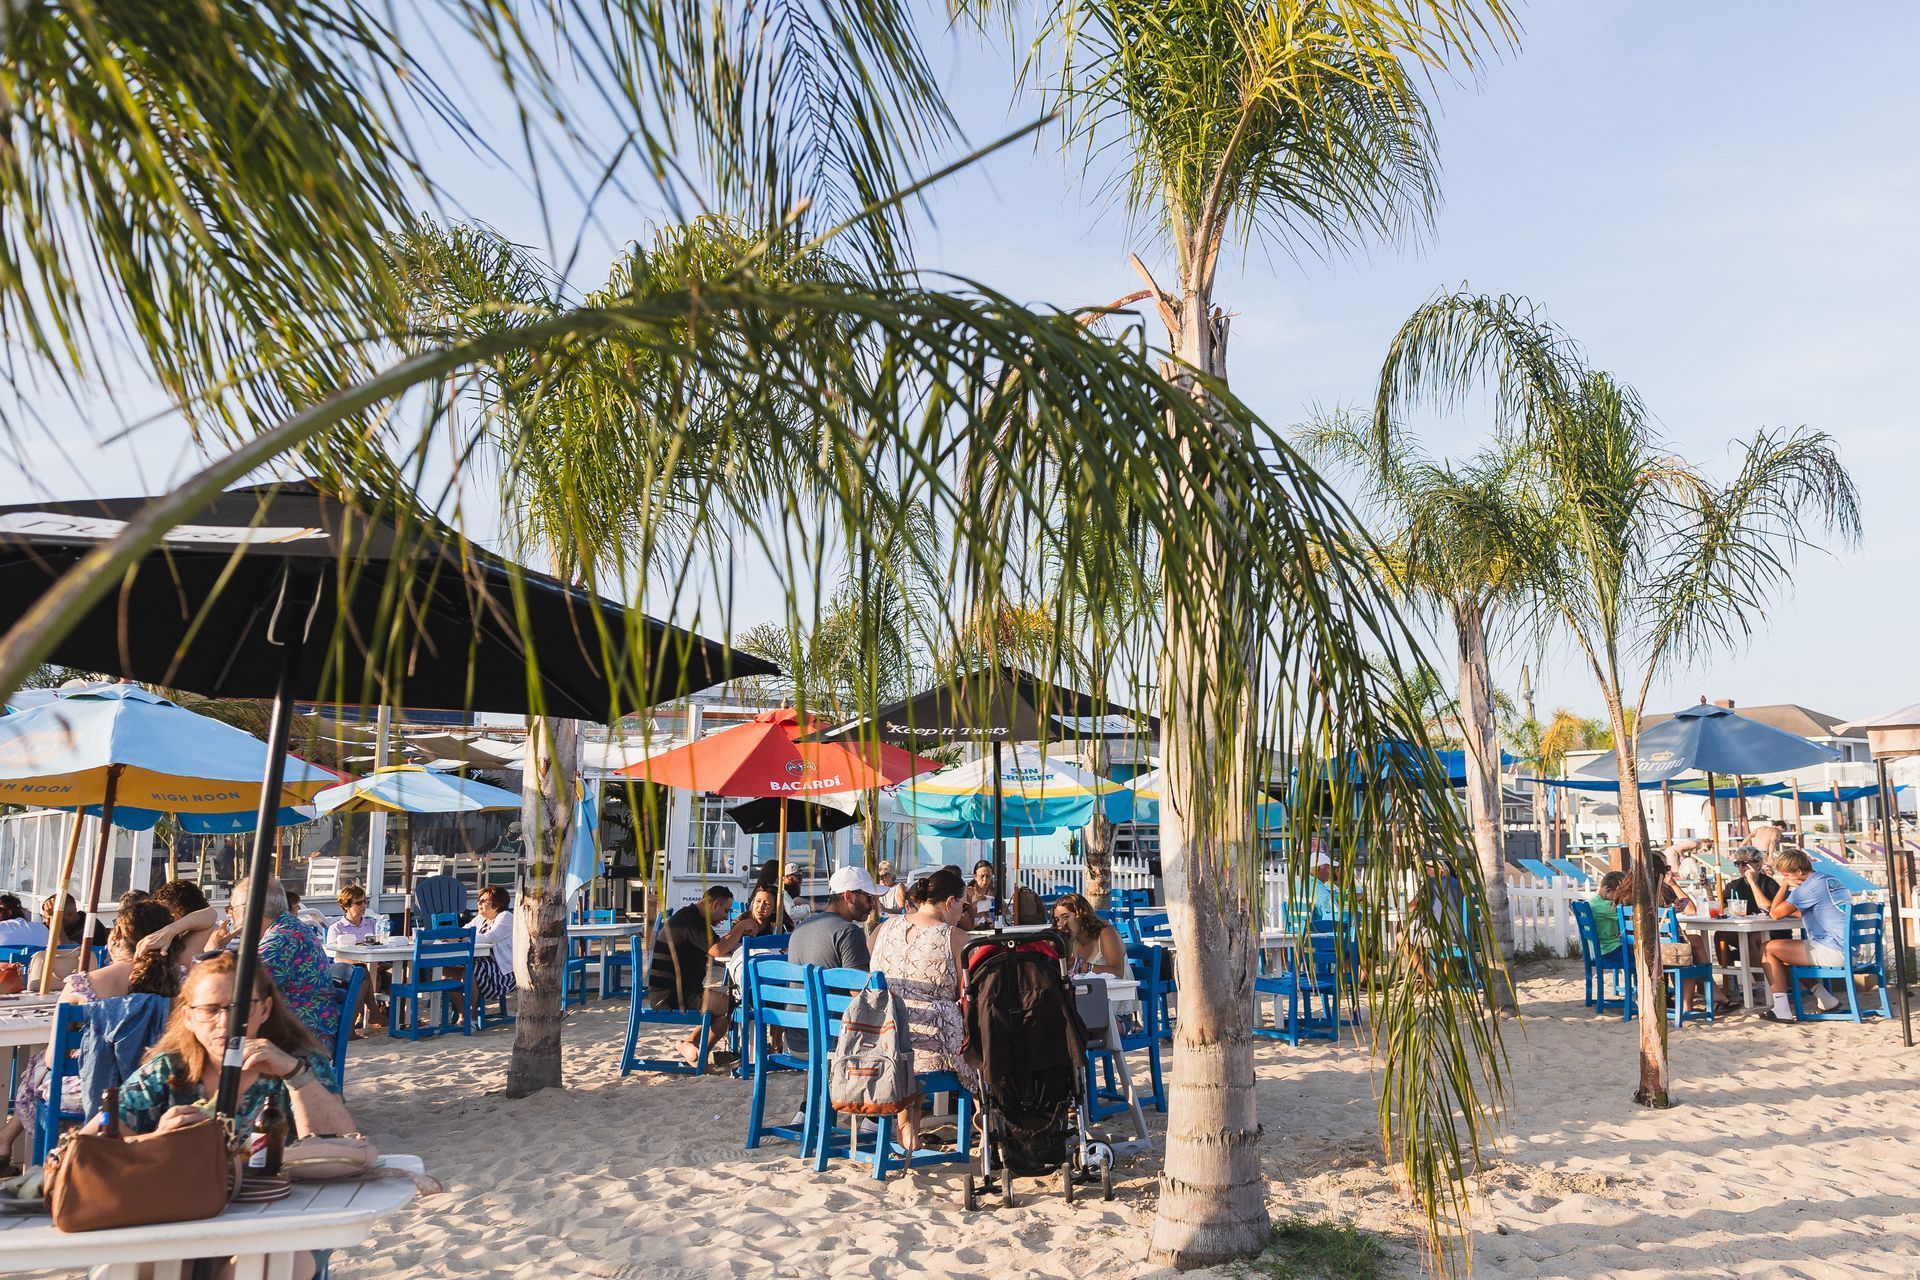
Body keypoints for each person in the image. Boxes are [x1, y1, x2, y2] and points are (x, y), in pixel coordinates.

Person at [110, 952, 360, 1280]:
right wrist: (156, 1143)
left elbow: (345, 1144)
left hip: (280, 1218)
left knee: (275, 1266)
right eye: (211, 1010)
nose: (225, 1023)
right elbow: (95, 1143)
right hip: (180, 1220)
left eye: (239, 1008)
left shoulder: (299, 1063)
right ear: (188, 1016)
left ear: (264, 1009)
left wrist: (295, 1075)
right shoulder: (168, 1072)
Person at [0, 897, 185, 1167]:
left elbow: (54, 1060)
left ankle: (25, 1153)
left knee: (39, 1066)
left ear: (117, 936)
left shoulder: (83, 985)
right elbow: (206, 919)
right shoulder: (182, 981)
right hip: (160, 1088)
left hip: (94, 1094)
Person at [868, 866, 978, 1156]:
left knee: (913, 1040)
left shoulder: (884, 927)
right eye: (964, 904)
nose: (964, 912)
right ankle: (985, 1120)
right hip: (927, 1044)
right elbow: (965, 993)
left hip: (884, 1039)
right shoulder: (954, 937)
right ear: (950, 902)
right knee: (983, 1047)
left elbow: (874, 971)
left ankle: (910, 1136)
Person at [212, 878, 340, 1044]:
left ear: (249, 909)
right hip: (295, 1026)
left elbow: (236, 985)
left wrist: (212, 951)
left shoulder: (283, 938)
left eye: (231, 908)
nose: (229, 915)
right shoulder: (285, 927)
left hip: (302, 1038)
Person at [648, 886, 752, 1071]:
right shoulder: (691, 921)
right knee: (733, 1005)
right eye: (725, 910)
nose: (724, 917)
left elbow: (715, 948)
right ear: (714, 904)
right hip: (671, 995)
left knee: (721, 1022)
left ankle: (695, 1054)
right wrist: (740, 927)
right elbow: (717, 949)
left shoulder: (689, 917)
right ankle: (693, 1049)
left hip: (678, 990)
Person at [1760, 848, 1854, 1023]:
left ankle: (1781, 1010)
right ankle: (1826, 999)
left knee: (1768, 948)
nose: (1785, 878)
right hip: (1849, 949)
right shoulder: (1828, 879)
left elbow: (1775, 913)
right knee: (1788, 955)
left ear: (1798, 872)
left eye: (1786, 875)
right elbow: (1813, 911)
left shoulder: (1808, 887)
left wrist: (1785, 885)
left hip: (1833, 950)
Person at [788, 867, 878, 972]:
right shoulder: (848, 932)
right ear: (848, 896)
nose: (873, 903)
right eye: (869, 897)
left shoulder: (800, 928)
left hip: (802, 989)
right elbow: (858, 986)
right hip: (832, 989)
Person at [324, 884, 384, 1034]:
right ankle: (367, 1017)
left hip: (374, 967)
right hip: (346, 971)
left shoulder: (372, 924)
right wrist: (359, 962)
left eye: (365, 901)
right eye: (358, 903)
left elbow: (382, 945)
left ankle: (400, 1019)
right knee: (363, 972)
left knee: (399, 975)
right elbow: (336, 955)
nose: (363, 905)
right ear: (346, 906)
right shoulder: (337, 928)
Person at [1049, 892, 1126, 977]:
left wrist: (1083, 967)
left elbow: (1118, 972)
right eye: (1057, 919)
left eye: (1065, 917)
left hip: (1120, 989)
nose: (1060, 924)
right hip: (1092, 989)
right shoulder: (1071, 939)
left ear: (1081, 915)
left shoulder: (1106, 933)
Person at [469, 885, 516, 1011]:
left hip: (502, 972)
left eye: (484, 901)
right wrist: (453, 936)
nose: (479, 903)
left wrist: (461, 938)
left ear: (497, 904)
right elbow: (465, 930)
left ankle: (471, 1016)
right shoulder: (481, 918)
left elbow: (489, 937)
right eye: (479, 900)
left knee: (469, 969)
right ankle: (464, 1014)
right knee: (448, 970)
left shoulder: (506, 917)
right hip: (481, 963)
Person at [27, 895, 86, 987]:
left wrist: (55, 920)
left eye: (50, 918)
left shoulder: (89, 928)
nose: (47, 922)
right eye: (46, 918)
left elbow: (65, 952)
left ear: (70, 914)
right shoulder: (62, 925)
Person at [1586, 871, 1627, 960]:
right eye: (1620, 894)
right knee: (1640, 952)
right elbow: (1629, 918)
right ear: (1608, 890)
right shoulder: (1606, 906)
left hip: (1595, 951)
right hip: (1609, 951)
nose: (1622, 897)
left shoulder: (1591, 902)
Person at [962, 860, 1000, 930]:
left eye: (988, 876)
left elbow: (1006, 912)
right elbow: (960, 913)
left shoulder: (994, 892)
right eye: (981, 876)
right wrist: (972, 902)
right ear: (975, 877)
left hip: (991, 929)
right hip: (972, 931)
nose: (985, 880)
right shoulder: (967, 892)